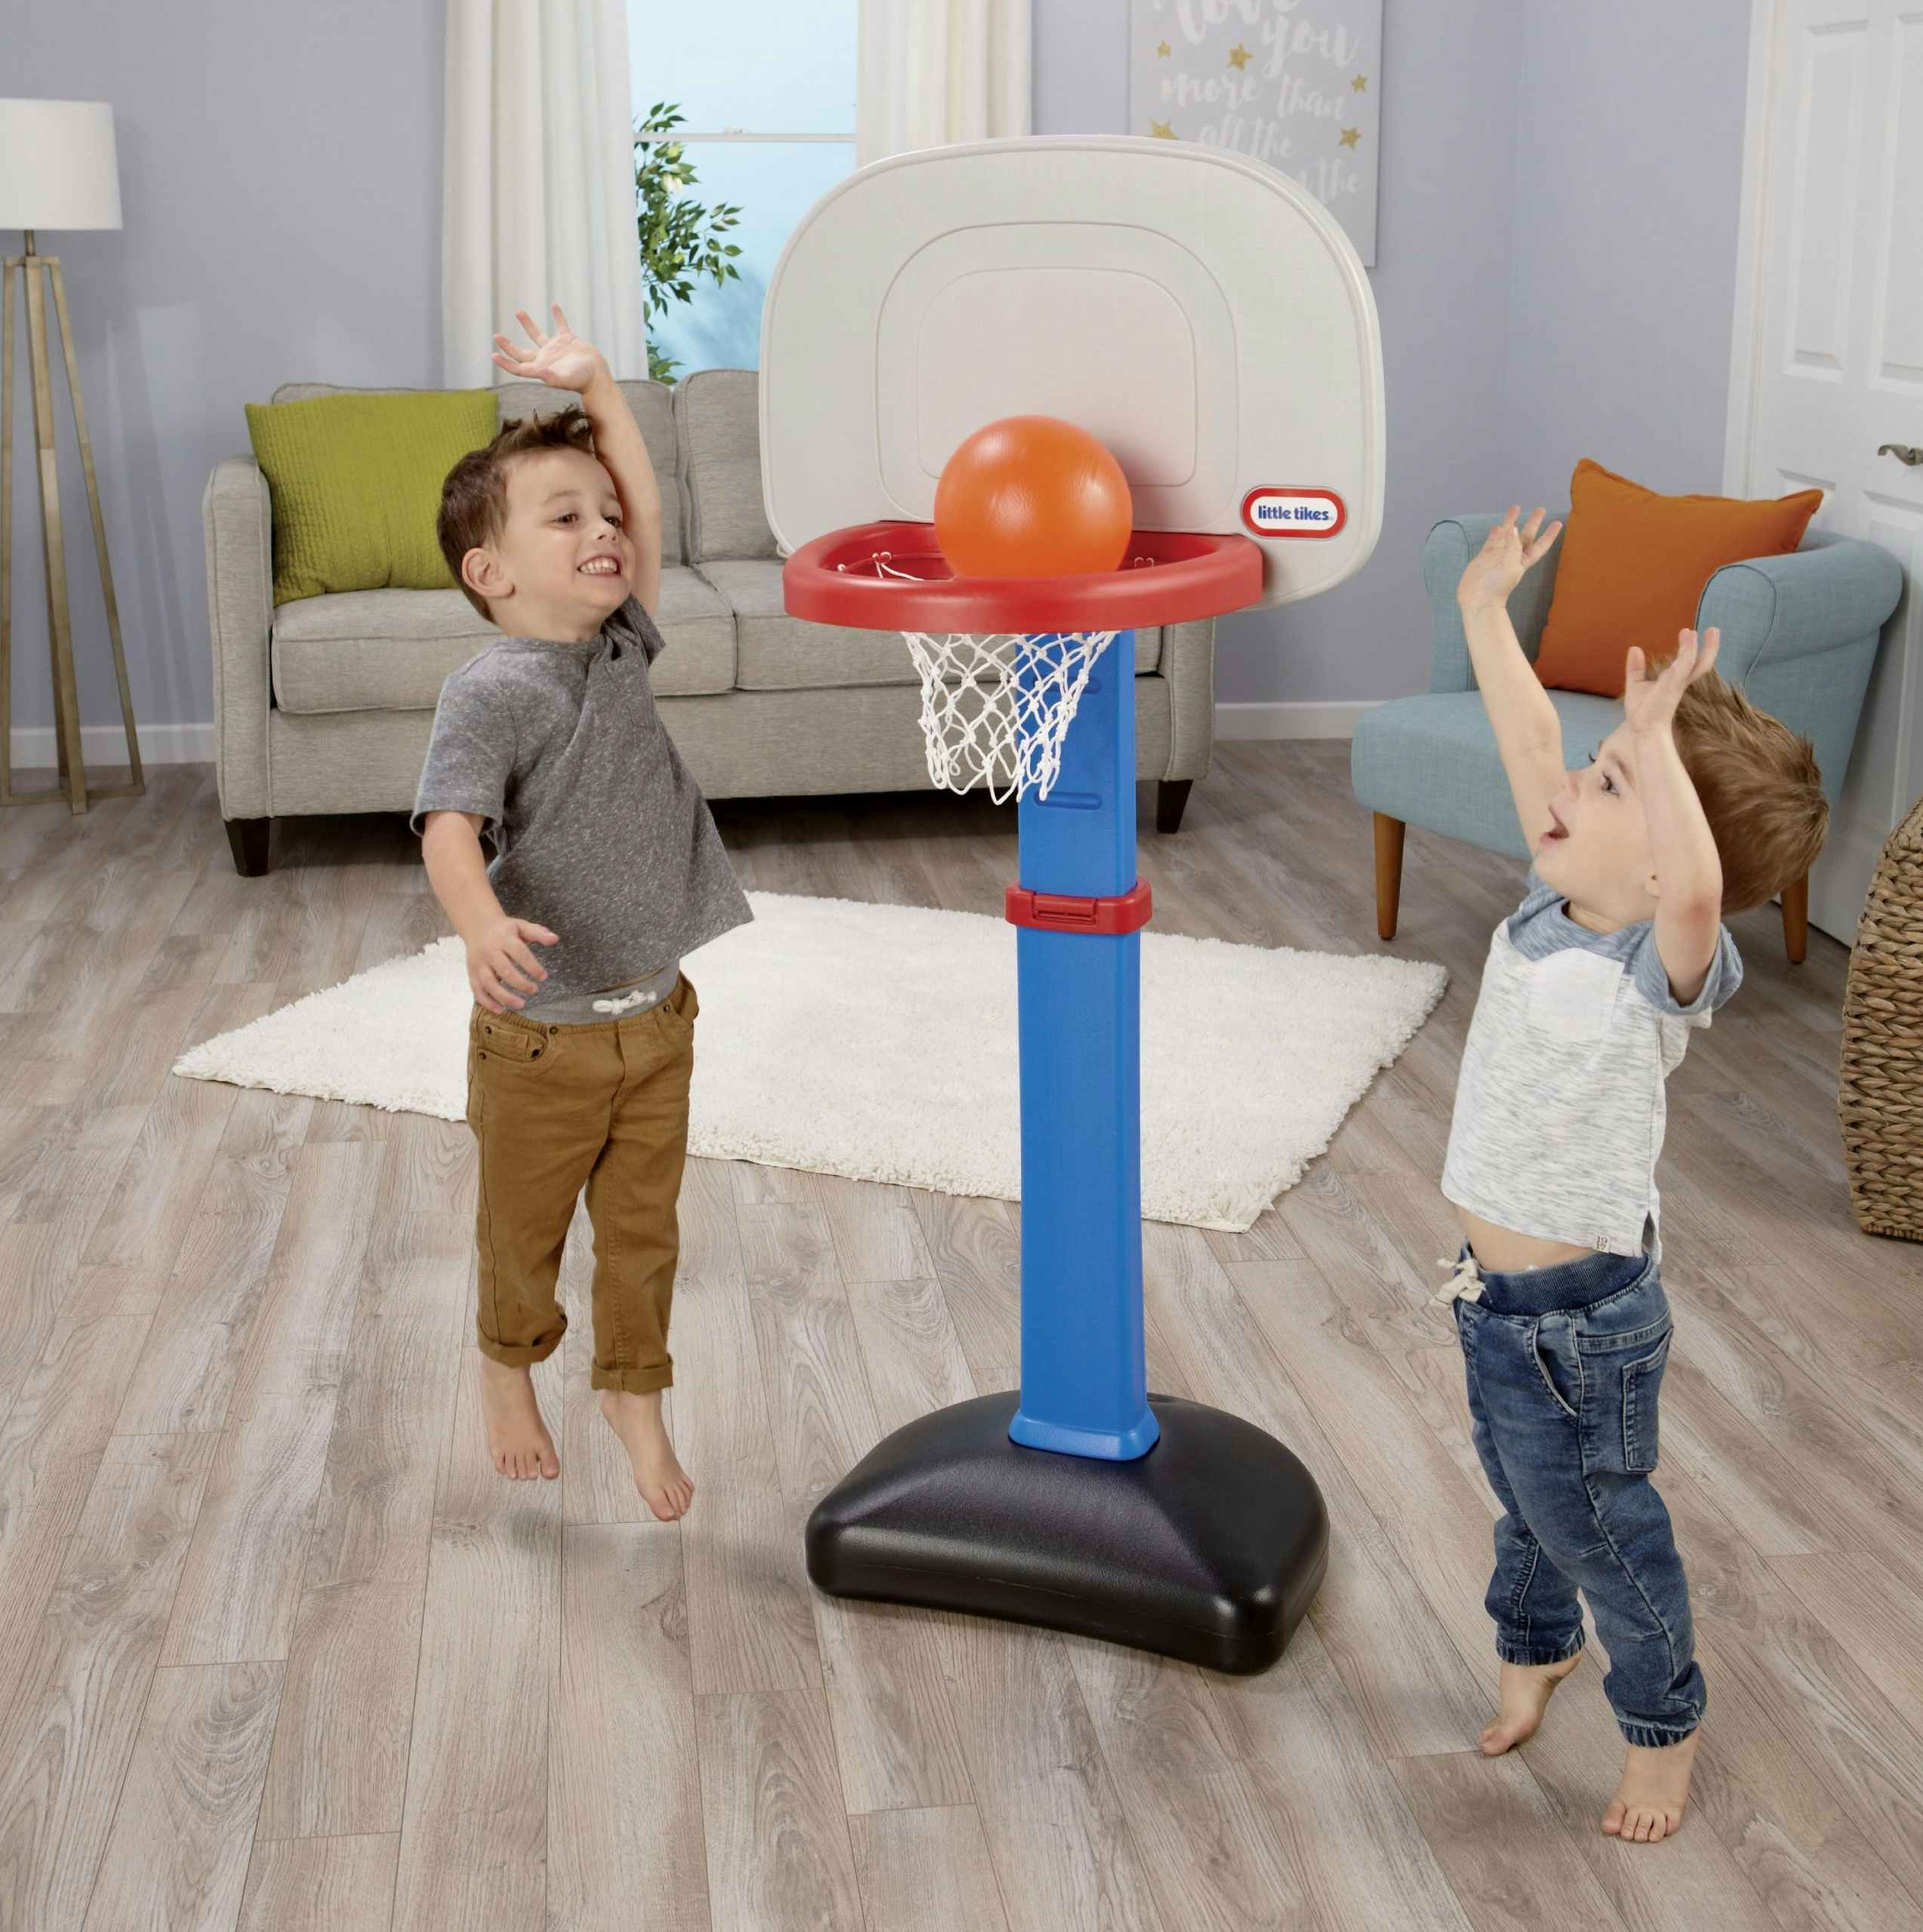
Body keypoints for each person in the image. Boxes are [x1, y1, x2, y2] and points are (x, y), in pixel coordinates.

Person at [1434, 506, 1827, 1841]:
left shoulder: (1656, 974)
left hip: (1584, 1327)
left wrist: (1656, 749)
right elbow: (1535, 740)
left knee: (1601, 1526)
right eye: (1603, 772)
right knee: (1523, 1500)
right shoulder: (1558, 906)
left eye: (1610, 790)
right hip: (1495, 1303)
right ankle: (1537, 1646)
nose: (1567, 789)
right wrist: (1490, 612)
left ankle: (1664, 1723)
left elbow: (1703, 900)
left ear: (1665, 857)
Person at [413, 304, 751, 1521]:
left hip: (657, 1017)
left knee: (646, 1235)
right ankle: (509, 1377)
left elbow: (649, 507)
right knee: (524, 1233)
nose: (606, 533)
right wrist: (478, 925)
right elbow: (449, 827)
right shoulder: (492, 691)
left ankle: (633, 1396)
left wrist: (604, 387)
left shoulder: (621, 645)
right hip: (542, 1040)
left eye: (604, 518)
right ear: (491, 573)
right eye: (567, 519)